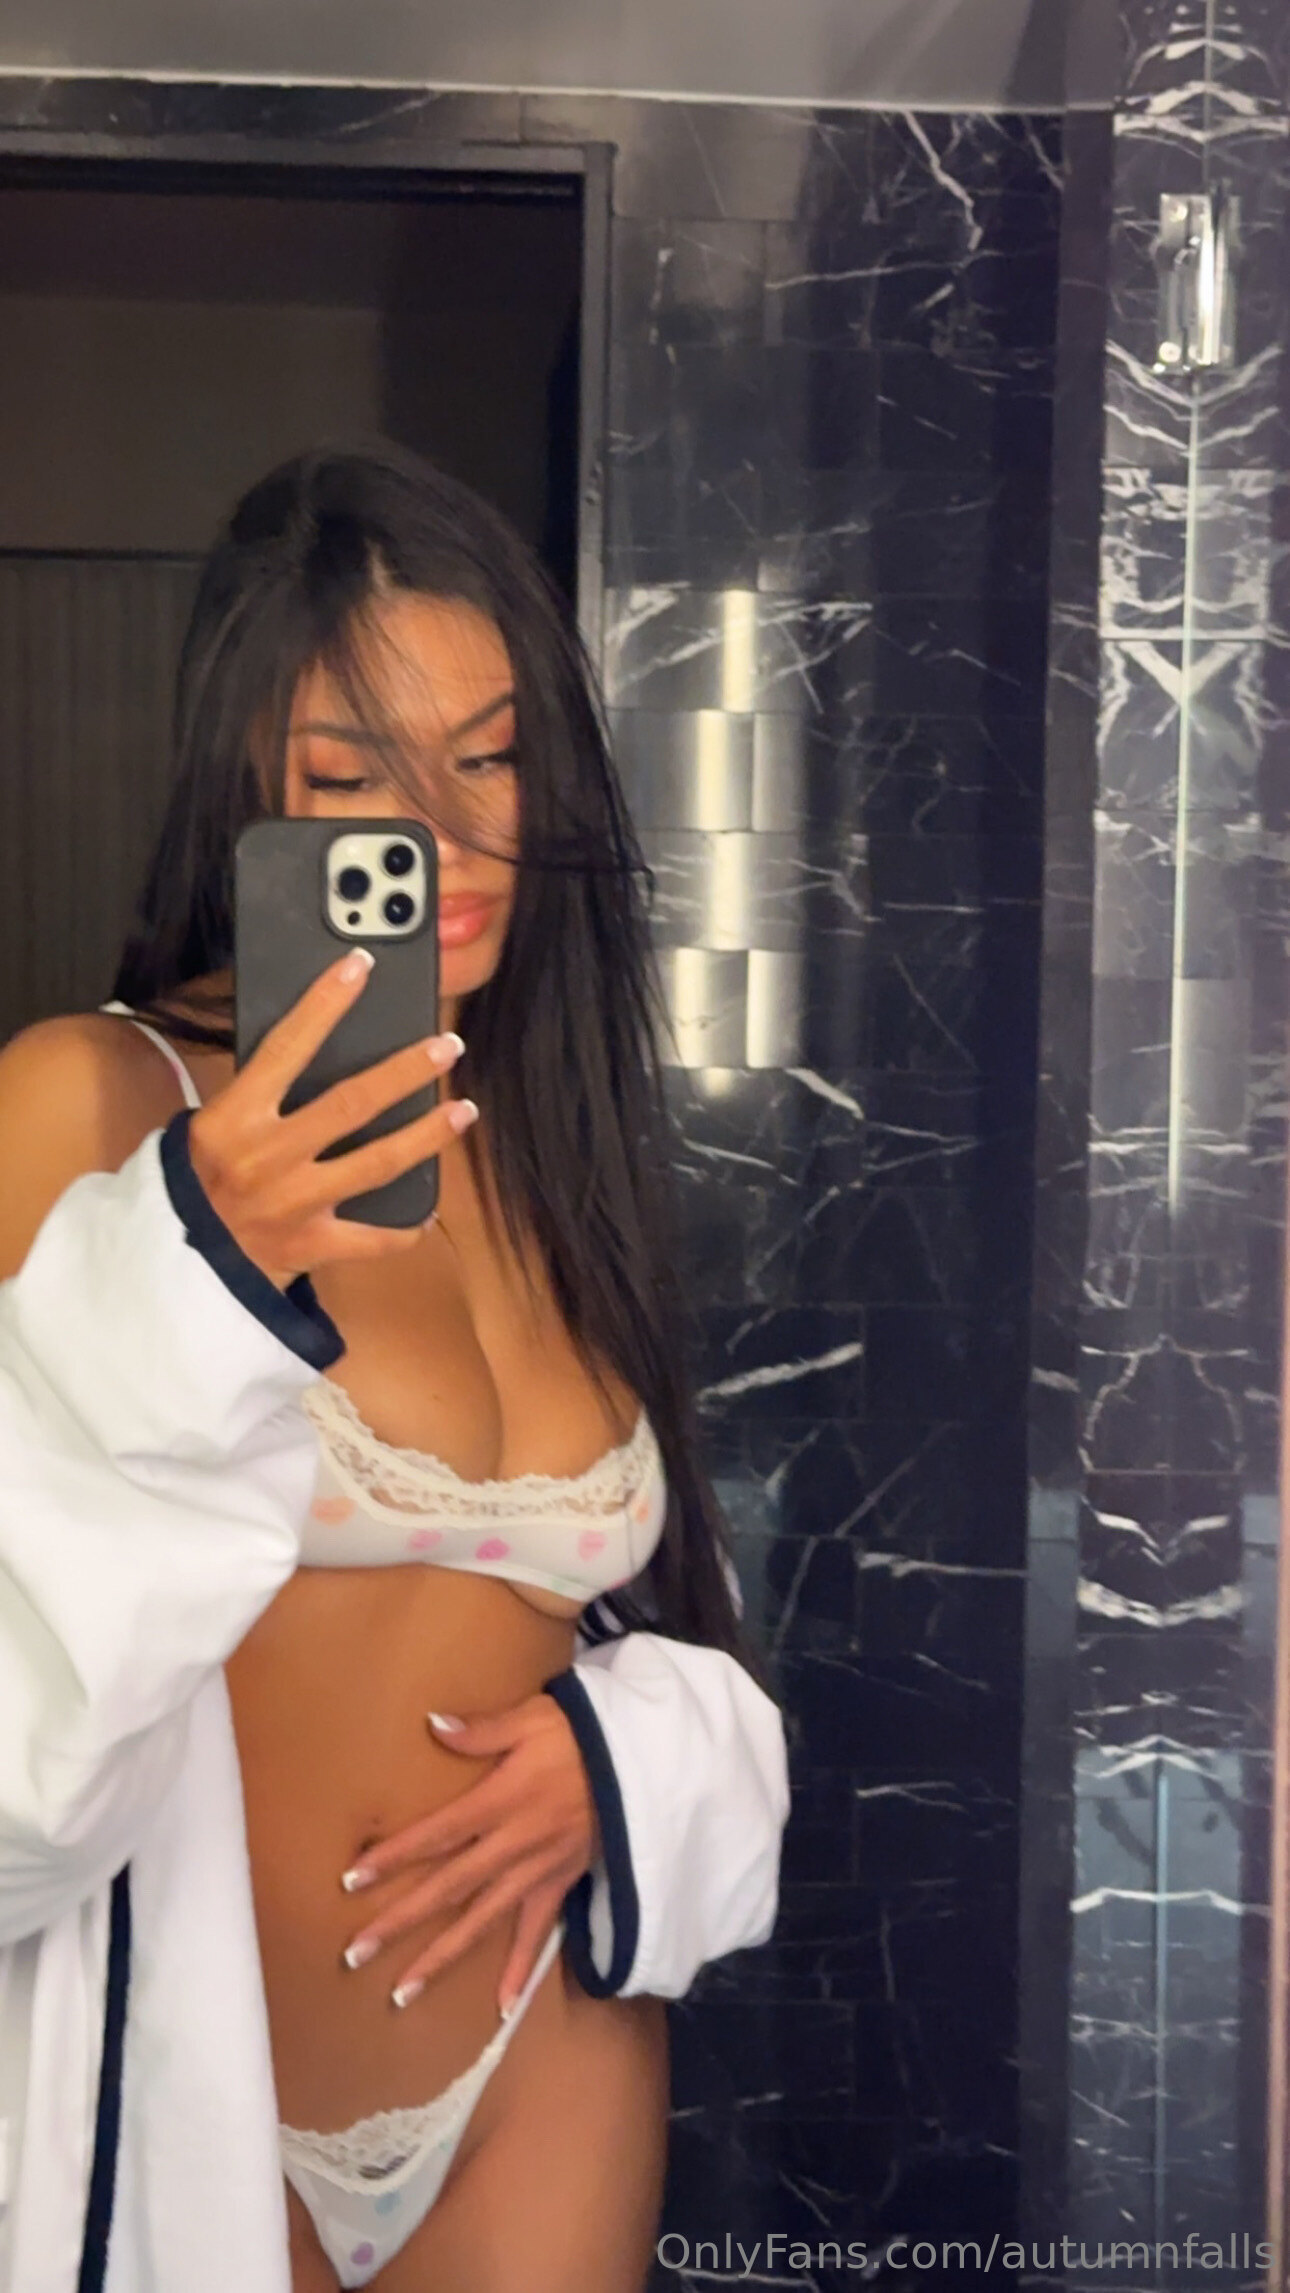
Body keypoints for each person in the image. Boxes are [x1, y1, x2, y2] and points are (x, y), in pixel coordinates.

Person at [0, 443, 789, 2293]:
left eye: (488, 760)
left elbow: (656, 1616)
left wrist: (624, 1757)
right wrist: (203, 1253)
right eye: (355, 784)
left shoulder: (555, 1148)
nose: (442, 842)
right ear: (245, 796)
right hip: (197, 2083)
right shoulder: (91, 1105)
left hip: (541, 2059)